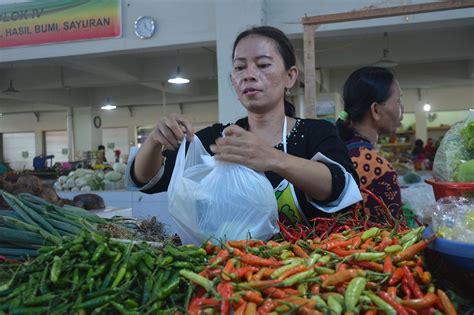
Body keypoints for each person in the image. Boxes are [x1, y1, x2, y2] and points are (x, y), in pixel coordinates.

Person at [128, 26, 361, 226]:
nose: (249, 75)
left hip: (301, 270)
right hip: (232, 269)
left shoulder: (316, 132)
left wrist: (273, 158)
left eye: (263, 65)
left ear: (290, 76)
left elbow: (340, 185)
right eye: (240, 68)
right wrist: (154, 141)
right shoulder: (219, 139)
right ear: (233, 80)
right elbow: (148, 179)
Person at [336, 66, 404, 220]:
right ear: (375, 110)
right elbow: (395, 236)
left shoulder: (336, 149)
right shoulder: (379, 170)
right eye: (398, 101)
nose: (402, 109)